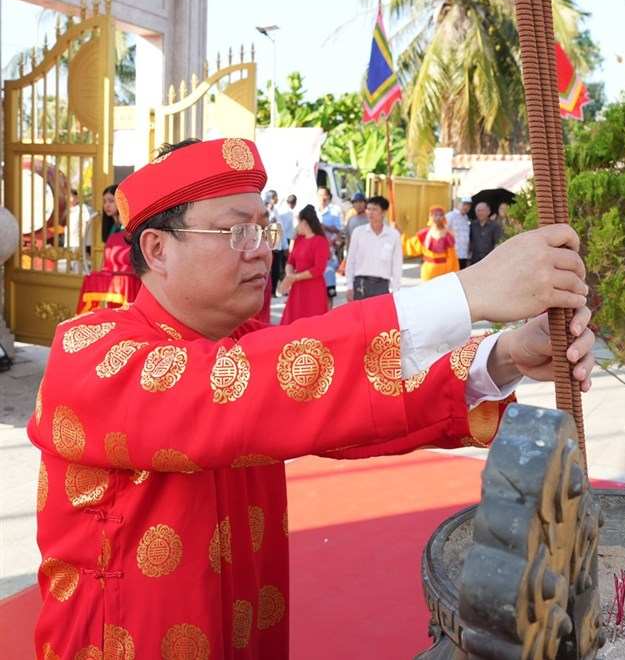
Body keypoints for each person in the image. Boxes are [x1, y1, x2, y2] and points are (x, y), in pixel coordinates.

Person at [29, 136, 596, 657]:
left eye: (263, 230)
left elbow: (345, 404)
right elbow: (242, 388)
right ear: (156, 248)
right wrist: (470, 292)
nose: (261, 251)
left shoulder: (244, 346)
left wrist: (506, 355)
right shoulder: (91, 353)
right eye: (237, 232)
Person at [74, 183, 142, 313]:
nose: (106, 205)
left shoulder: (130, 230)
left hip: (130, 282)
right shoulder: (113, 228)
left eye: (111, 201)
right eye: (104, 201)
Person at [279, 205, 331, 325]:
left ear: (304, 222)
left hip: (313, 289)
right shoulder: (299, 240)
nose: (296, 226)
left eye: (298, 222)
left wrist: (294, 277)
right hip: (298, 288)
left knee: (313, 323)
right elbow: (290, 261)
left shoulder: (320, 241)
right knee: (293, 322)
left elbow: (319, 269)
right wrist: (290, 275)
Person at [345, 196, 402, 301]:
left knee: (379, 317)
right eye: (368, 209)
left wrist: (396, 290)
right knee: (359, 317)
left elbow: (397, 265)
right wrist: (349, 286)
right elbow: (351, 260)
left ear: (383, 212)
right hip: (360, 283)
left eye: (375, 209)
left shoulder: (393, 235)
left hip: (382, 285)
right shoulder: (358, 232)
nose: (370, 213)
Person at [417, 205, 458, 281]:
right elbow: (411, 247)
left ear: (444, 217)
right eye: (435, 215)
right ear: (430, 217)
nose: (438, 217)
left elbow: (452, 257)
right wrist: (399, 233)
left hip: (443, 271)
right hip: (428, 272)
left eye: (440, 215)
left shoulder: (448, 235)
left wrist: (452, 273)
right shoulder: (424, 234)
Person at [315, 186, 342, 299]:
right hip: (315, 252)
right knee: (317, 288)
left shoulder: (334, 211)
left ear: (328, 197)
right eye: (320, 195)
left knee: (328, 289)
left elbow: (338, 230)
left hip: (329, 252)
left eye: (324, 195)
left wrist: (325, 227)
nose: (322, 198)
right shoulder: (314, 211)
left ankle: (328, 312)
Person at [265, 190, 288, 297]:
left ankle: (273, 290)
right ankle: (266, 291)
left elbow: (281, 229)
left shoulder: (276, 211)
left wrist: (285, 246)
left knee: (276, 270)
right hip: (267, 247)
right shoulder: (264, 210)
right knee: (266, 270)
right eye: (275, 197)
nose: (276, 199)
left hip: (277, 246)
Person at [469, 201, 502, 266]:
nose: (480, 213)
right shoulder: (472, 225)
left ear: (488, 212)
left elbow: (497, 243)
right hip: (474, 260)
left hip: (489, 260)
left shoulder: (495, 226)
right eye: (478, 210)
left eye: (483, 210)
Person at [446, 197, 472, 270]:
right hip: (453, 254)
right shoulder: (450, 216)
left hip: (464, 255)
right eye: (464, 204)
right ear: (458, 204)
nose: (466, 207)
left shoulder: (466, 218)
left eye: (469, 205)